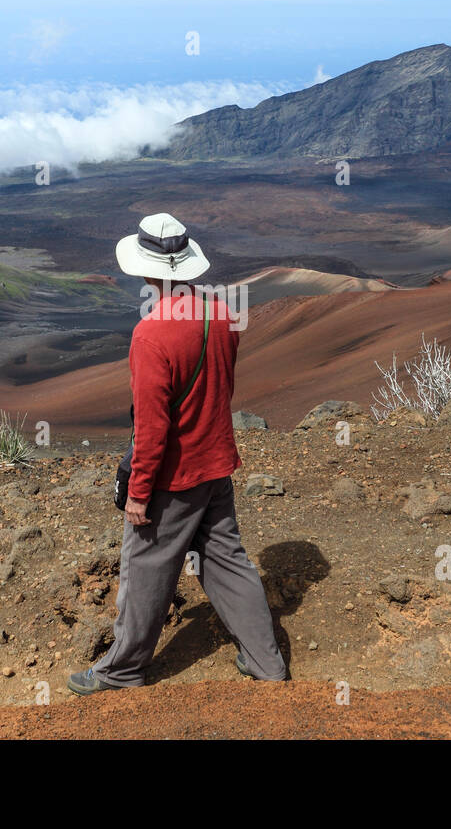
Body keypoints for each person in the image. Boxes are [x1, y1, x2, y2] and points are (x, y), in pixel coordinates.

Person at [67, 213, 286, 694]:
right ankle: (267, 663)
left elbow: (151, 428)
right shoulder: (223, 314)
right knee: (227, 561)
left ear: (147, 269)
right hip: (217, 465)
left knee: (144, 572)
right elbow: (216, 389)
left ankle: (123, 670)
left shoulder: (151, 335)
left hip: (173, 478)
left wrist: (140, 493)